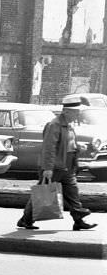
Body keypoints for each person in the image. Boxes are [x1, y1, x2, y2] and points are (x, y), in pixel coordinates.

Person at [17, 95, 96, 231]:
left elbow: (68, 144)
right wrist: (48, 168)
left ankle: (78, 219)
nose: (77, 115)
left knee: (72, 192)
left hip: (67, 165)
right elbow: (49, 148)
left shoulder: (68, 125)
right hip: (55, 166)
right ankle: (26, 219)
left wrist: (77, 147)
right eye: (76, 112)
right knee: (44, 191)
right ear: (66, 111)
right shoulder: (54, 125)